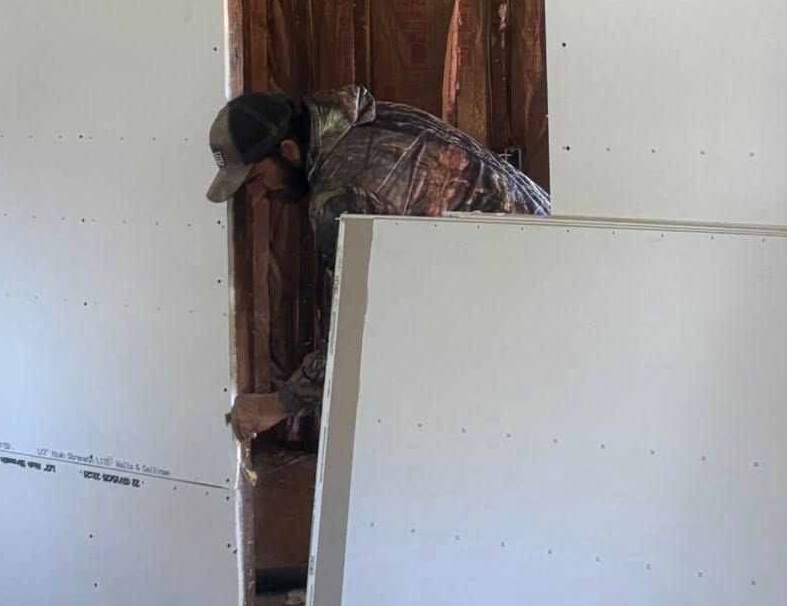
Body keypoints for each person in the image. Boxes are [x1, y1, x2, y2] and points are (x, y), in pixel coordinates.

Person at [207, 85, 549, 417]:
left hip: (527, 296)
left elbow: (354, 326)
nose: (259, 195)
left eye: (256, 179)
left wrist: (279, 405)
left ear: (288, 150)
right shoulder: (363, 120)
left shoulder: (341, 193)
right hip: (549, 249)